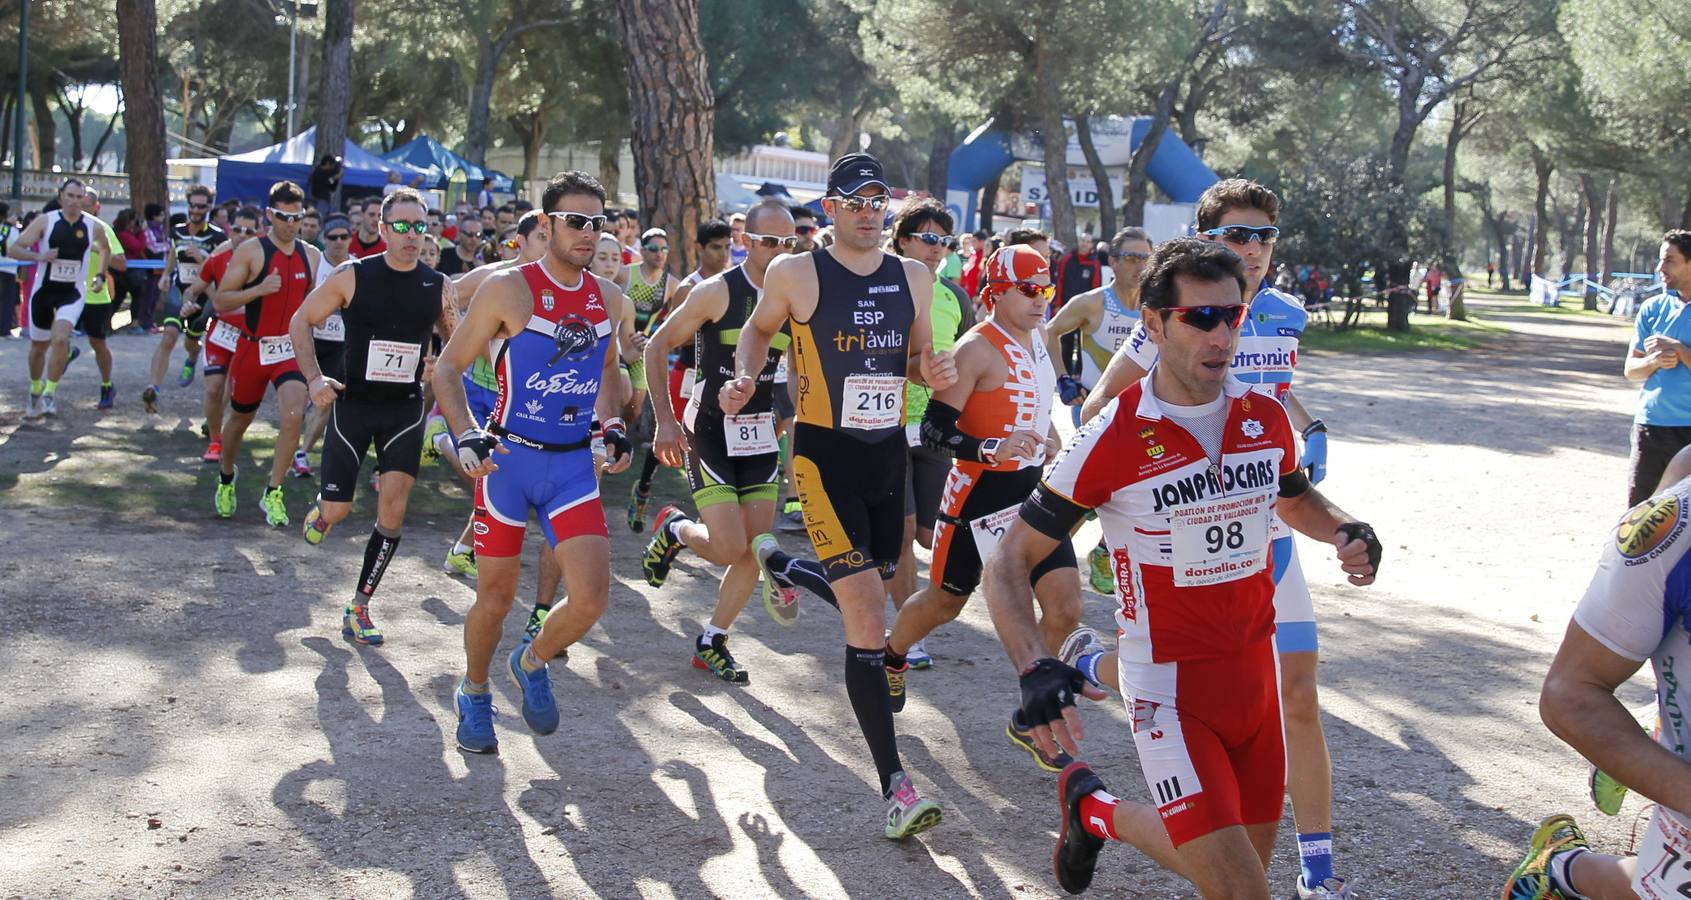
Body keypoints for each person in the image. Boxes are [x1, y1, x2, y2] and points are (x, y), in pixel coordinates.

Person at [982, 237, 1380, 899]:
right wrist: (1032, 664)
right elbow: (1006, 565)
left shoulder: (1263, 416)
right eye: (1201, 317)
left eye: (1233, 315)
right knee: (1242, 889)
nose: (1221, 334)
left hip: (1254, 687)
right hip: (1168, 694)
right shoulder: (1109, 437)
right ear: (1154, 321)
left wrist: (1341, 527)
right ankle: (1096, 808)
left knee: (1233, 873)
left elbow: (1291, 496)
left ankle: (1093, 811)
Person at [1076, 180, 1345, 899]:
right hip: (1177, 528)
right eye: (1235, 236)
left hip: (1265, 529)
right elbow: (1106, 408)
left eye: (1263, 236)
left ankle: (1314, 862)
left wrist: (1303, 431)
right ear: (1205, 242)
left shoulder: (1285, 314)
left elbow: (1271, 398)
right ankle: (1101, 680)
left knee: (1297, 693)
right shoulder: (1172, 316)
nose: (1251, 249)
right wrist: (1127, 506)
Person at [725, 152, 957, 839]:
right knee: (863, 614)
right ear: (828, 208)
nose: (867, 211)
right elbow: (758, 331)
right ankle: (895, 787)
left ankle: (783, 567)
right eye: (853, 200)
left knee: (878, 584)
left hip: (886, 453)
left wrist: (932, 366)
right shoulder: (796, 272)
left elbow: (915, 358)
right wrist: (746, 376)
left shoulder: (911, 275)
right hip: (824, 458)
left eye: (877, 200)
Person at [432, 170, 633, 755]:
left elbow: (608, 369)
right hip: (508, 464)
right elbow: (446, 369)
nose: (587, 234)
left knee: (591, 598)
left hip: (572, 465)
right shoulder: (507, 289)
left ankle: (532, 657)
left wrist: (614, 424)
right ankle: (473, 693)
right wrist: (466, 435)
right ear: (545, 225)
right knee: (494, 599)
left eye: (596, 223)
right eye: (575, 221)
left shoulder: (608, 298)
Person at [884, 243, 1079, 771]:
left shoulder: (1038, 337)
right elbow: (934, 430)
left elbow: (1034, 403)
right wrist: (991, 448)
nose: (1042, 300)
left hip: (1031, 490)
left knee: (1064, 608)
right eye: (1030, 290)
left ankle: (1029, 715)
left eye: (1048, 290)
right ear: (995, 294)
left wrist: (1050, 435)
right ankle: (891, 655)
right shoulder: (976, 349)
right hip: (976, 498)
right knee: (946, 602)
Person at [641, 202, 837, 684]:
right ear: (746, 241)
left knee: (755, 546)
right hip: (707, 428)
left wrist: (798, 420)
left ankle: (713, 638)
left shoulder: (796, 295)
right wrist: (664, 423)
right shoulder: (717, 291)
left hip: (760, 433)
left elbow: (793, 367)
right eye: (770, 241)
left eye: (790, 243)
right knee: (729, 547)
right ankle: (677, 530)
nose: (781, 251)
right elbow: (656, 346)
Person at [291, 187, 454, 646]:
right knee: (339, 510)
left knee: (394, 508)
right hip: (354, 405)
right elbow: (301, 320)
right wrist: (314, 379)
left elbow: (456, 343)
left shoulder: (437, 286)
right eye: (400, 226)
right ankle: (323, 515)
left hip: (403, 410)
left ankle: (359, 605)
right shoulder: (352, 276)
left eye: (418, 226)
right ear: (381, 229)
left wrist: (439, 362)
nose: (410, 236)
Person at [886, 197, 974, 669]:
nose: (937, 249)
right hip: (884, 425)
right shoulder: (880, 286)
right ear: (902, 240)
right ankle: (906, 633)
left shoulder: (954, 297)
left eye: (944, 241)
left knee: (927, 536)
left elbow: (974, 359)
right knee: (901, 534)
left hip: (935, 427)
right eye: (928, 238)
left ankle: (863, 579)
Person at [210, 181, 324, 525]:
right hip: (253, 349)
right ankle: (226, 477)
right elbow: (220, 300)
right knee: (239, 421)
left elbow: (313, 303)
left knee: (292, 415)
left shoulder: (312, 255)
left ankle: (273, 491)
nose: (290, 224)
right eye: (282, 216)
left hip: (289, 350)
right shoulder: (251, 252)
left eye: (296, 217)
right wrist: (259, 289)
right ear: (268, 215)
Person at [1045, 227, 1151, 593]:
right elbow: (1048, 332)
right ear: (1113, 262)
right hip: (1095, 411)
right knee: (1105, 485)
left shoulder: (1157, 308)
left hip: (1141, 414)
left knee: (1118, 488)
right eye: (1132, 257)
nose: (1140, 266)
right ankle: (1045, 552)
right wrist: (1063, 379)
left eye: (1146, 258)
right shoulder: (1092, 303)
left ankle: (1101, 546)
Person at [9, 179, 113, 419]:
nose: (76, 201)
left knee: (61, 339)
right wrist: (40, 255)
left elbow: (105, 248)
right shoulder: (47, 221)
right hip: (43, 292)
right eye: (71, 196)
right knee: (38, 348)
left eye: (80, 197)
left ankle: (50, 392)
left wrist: (99, 275)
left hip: (72, 292)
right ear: (61, 197)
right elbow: (15, 248)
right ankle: (35, 387)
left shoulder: (92, 225)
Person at [187, 206, 264, 464]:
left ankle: (225, 432)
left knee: (233, 394)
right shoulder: (218, 258)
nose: (243, 235)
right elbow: (194, 288)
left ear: (259, 232)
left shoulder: (267, 258)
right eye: (238, 229)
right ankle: (215, 442)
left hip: (251, 336)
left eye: (249, 230)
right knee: (213, 389)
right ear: (229, 229)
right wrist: (189, 303)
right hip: (221, 332)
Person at [1622, 230, 1691, 508]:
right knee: (1640, 514)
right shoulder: (1652, 308)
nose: (1660, 268)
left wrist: (1681, 350)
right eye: (1661, 260)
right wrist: (1653, 362)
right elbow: (1631, 370)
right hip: (1650, 426)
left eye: (1670, 260)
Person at [143, 184, 226, 413]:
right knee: (168, 337)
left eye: (201, 206)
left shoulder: (218, 236)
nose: (196, 210)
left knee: (191, 339)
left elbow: (222, 267)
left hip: (204, 294)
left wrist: (203, 259)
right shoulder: (177, 231)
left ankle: (193, 355)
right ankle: (153, 388)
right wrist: (166, 275)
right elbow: (173, 252)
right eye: (193, 205)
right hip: (179, 291)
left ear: (209, 207)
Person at [622, 227, 677, 530]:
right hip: (617, 345)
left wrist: (656, 341)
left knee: (632, 408)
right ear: (642, 250)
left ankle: (638, 487)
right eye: (653, 248)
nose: (658, 254)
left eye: (663, 249)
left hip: (644, 352)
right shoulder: (626, 275)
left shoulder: (672, 284)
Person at [296, 214, 356, 471]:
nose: (339, 242)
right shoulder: (315, 263)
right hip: (310, 341)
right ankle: (291, 439)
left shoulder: (358, 267)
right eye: (333, 237)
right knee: (297, 399)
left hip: (340, 345)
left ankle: (302, 452)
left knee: (325, 400)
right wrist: (314, 316)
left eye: (344, 237)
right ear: (324, 239)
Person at [75, 188, 127, 410]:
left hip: (95, 296)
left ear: (96, 207)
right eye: (78, 203)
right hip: (68, 292)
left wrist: (97, 250)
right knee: (54, 333)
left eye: (86, 206)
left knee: (98, 344)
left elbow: (122, 263)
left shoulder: (103, 229)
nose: (81, 210)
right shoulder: (64, 226)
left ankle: (107, 384)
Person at [0, 201, 16, 338]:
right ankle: (4, 330)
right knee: (7, 301)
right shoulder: (10, 230)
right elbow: (19, 247)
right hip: (8, 268)